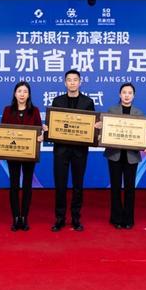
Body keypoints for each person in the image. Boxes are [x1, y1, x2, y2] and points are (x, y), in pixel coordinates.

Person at [48, 69, 95, 232]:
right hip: (61, 150)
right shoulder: (57, 101)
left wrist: (95, 127)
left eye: (75, 80)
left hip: (80, 151)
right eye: (69, 80)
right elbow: (53, 125)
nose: (72, 82)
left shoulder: (88, 102)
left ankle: (76, 218)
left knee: (78, 185)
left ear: (80, 82)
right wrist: (48, 129)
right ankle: (60, 218)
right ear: (65, 82)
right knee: (60, 185)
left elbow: (91, 127)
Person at [0, 81, 43, 231]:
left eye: (25, 91)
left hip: (28, 154)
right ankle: (15, 217)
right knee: (14, 185)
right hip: (12, 153)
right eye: (19, 91)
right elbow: (2, 132)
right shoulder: (7, 110)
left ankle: (24, 217)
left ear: (29, 94)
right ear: (15, 93)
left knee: (27, 186)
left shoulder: (34, 111)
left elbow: (39, 130)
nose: (22, 94)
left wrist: (41, 136)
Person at [103, 83, 145, 229]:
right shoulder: (112, 110)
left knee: (129, 188)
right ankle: (116, 218)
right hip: (114, 154)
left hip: (131, 156)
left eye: (130, 93)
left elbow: (142, 134)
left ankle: (128, 219)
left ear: (134, 95)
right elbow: (107, 131)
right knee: (115, 188)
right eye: (124, 92)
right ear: (119, 94)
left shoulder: (139, 113)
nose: (127, 95)